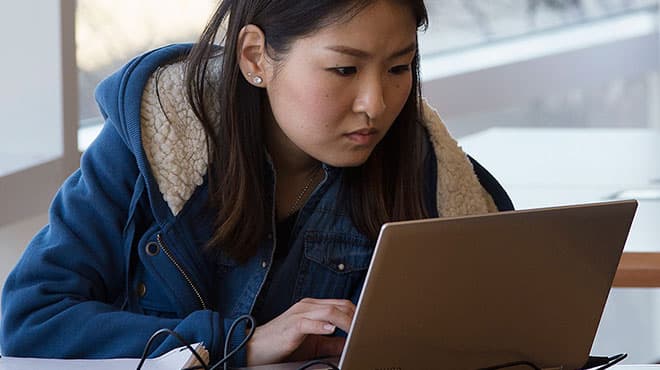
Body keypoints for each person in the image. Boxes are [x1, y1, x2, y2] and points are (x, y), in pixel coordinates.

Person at [0, 0, 513, 367]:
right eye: (343, 69)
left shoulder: (437, 181)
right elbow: (32, 320)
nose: (376, 104)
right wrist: (235, 345)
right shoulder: (152, 143)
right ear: (255, 58)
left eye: (400, 67)